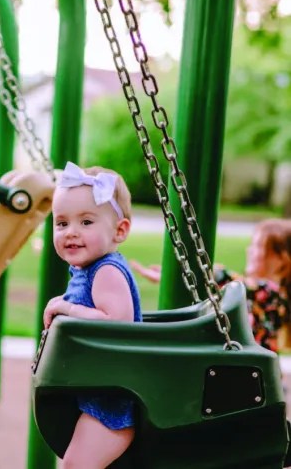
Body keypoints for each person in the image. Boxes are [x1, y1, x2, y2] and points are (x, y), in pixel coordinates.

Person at [42, 162, 141, 469]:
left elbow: (117, 323)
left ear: (119, 230)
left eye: (86, 222)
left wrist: (68, 309)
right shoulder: (89, 270)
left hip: (110, 403)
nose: (71, 233)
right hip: (96, 391)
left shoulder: (107, 271)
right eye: (62, 223)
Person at [131, 218, 291, 353]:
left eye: (258, 246)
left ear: (281, 259)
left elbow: (232, 282)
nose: (249, 250)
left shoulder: (273, 294)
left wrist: (197, 271)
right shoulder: (263, 296)